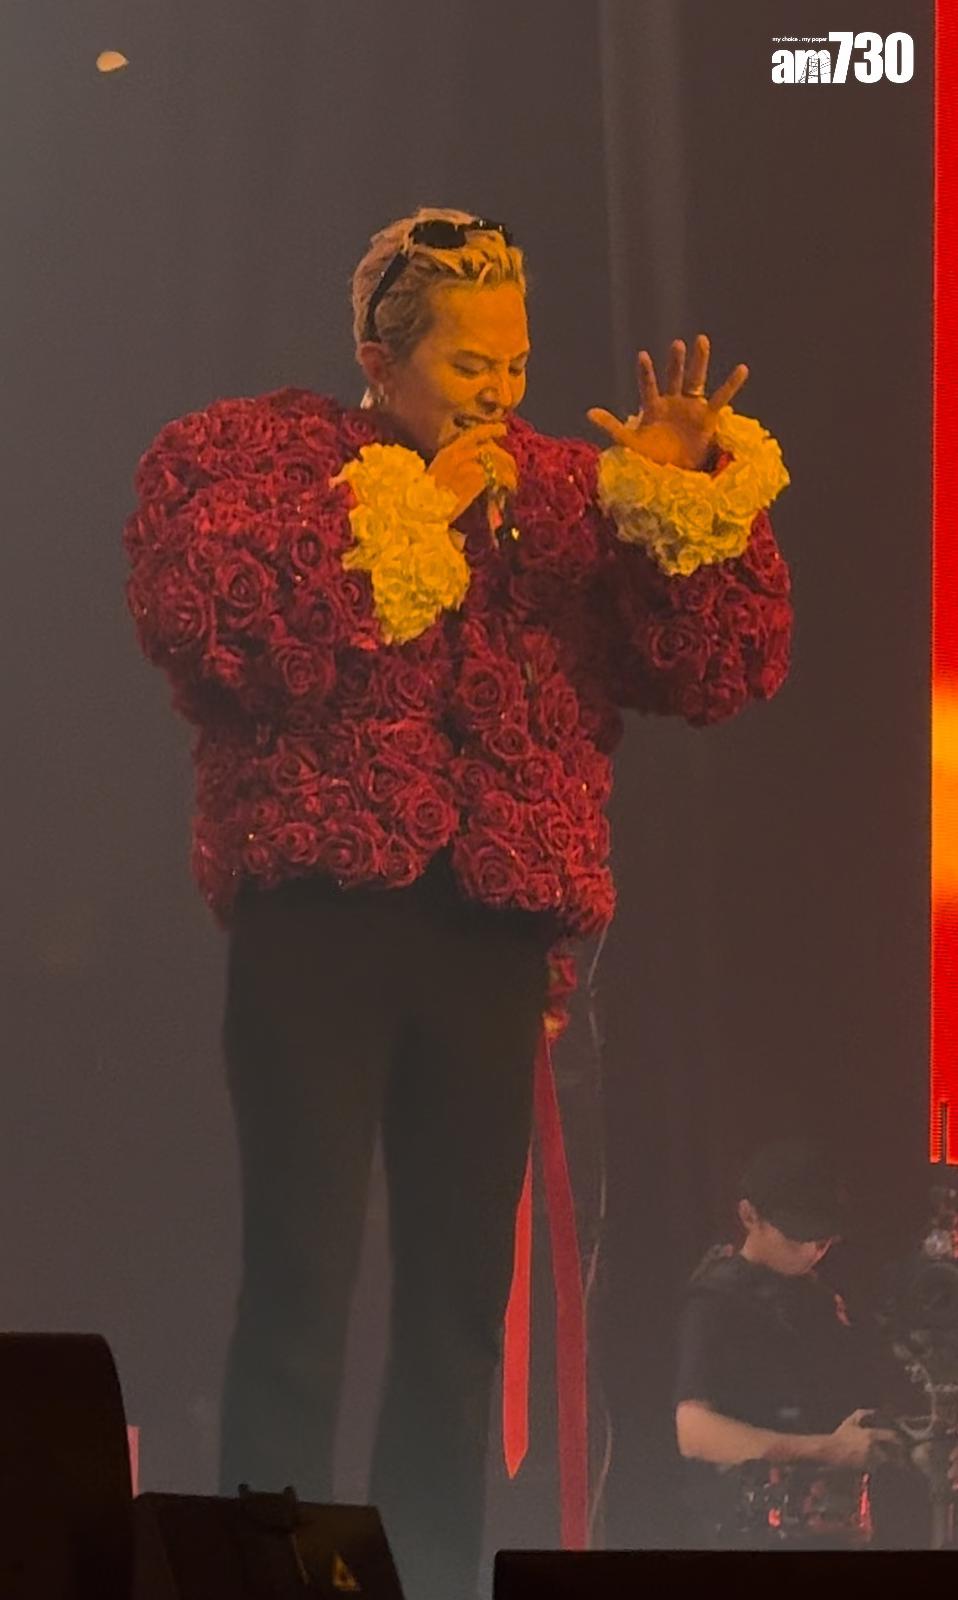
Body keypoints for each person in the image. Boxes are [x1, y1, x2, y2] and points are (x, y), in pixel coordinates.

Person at [125, 207, 793, 1600]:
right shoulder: (258, 459)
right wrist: (415, 510)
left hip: (489, 941)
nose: (499, 392)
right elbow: (206, 625)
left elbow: (714, 670)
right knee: (301, 1280)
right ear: (381, 355)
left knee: (457, 1309)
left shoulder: (558, 494)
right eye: (468, 364)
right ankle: (261, 1576)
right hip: (318, 924)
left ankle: (429, 1574)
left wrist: (676, 498)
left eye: (515, 363)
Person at [674, 1138, 906, 1548]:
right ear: (750, 1216)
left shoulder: (816, 1295)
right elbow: (695, 1431)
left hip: (827, 1525)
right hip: (750, 1533)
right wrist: (826, 1450)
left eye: (825, 1239)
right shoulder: (718, 1301)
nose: (814, 1251)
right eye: (798, 1237)